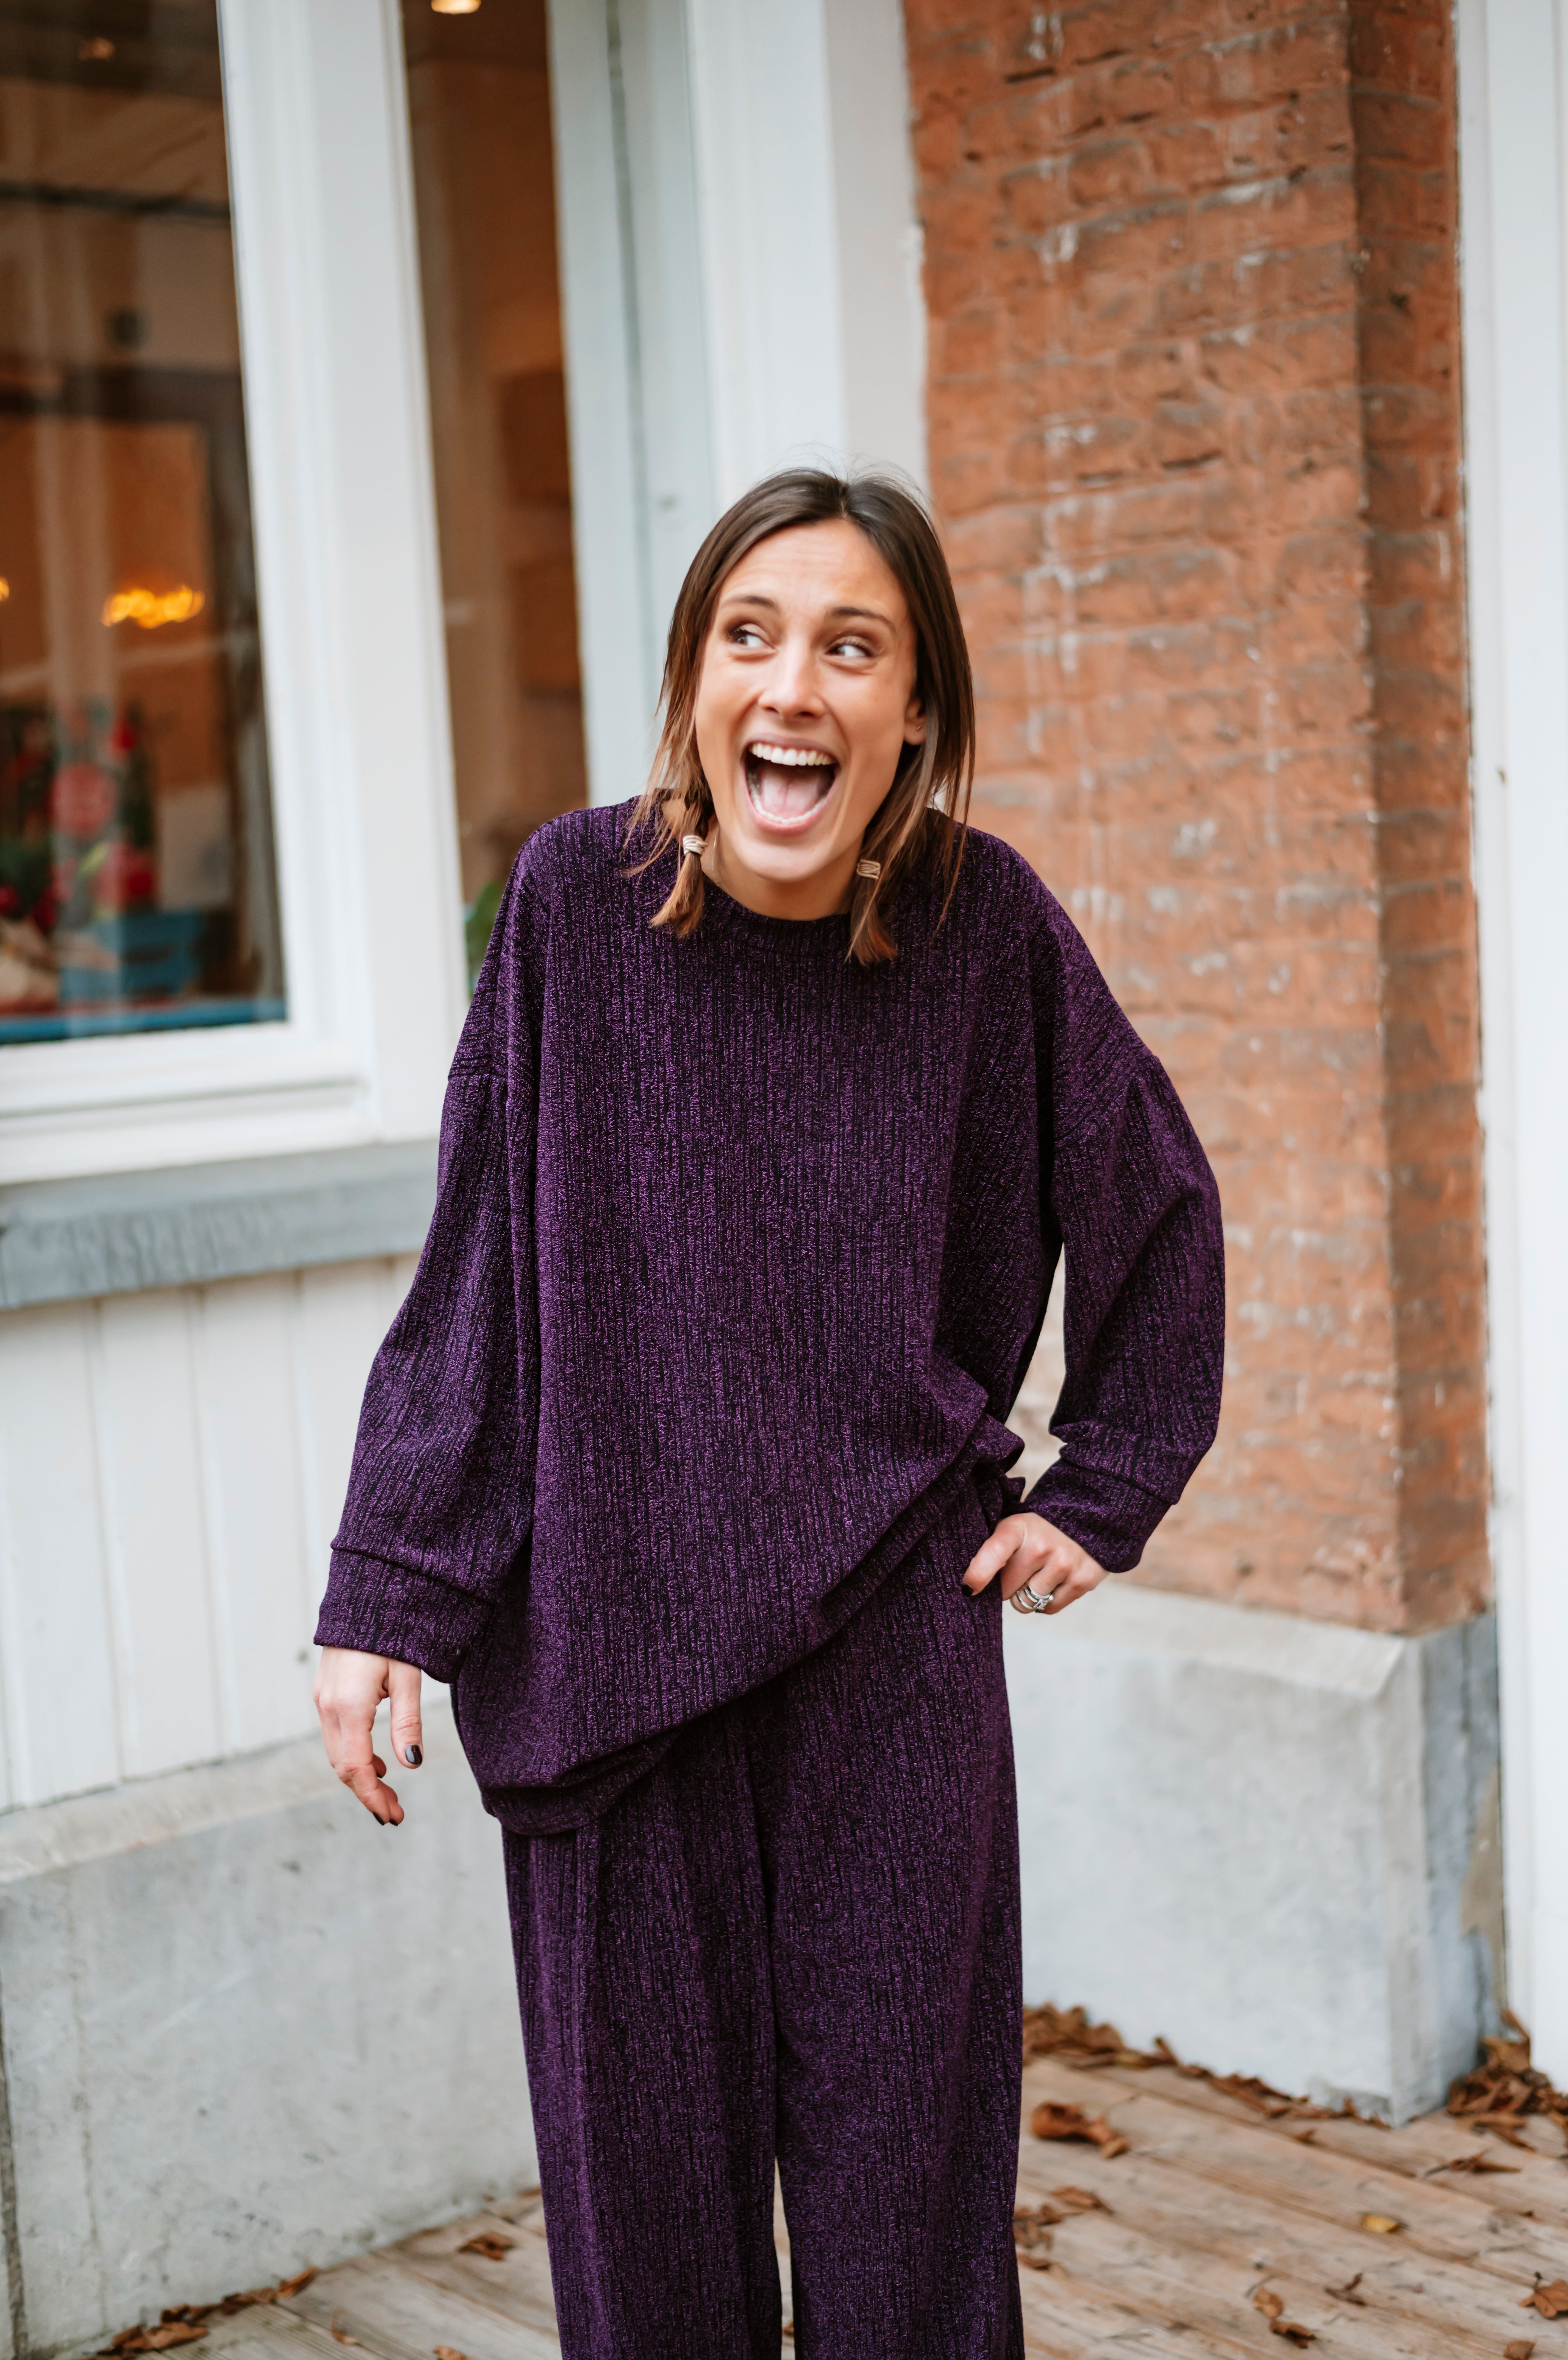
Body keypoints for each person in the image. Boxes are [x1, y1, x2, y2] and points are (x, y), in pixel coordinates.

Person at [313, 469, 1224, 2360]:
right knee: (652, 2268)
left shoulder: (987, 929)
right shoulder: (572, 906)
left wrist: (1109, 1481)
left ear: (916, 711)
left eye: (850, 646)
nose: (793, 684)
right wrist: (390, 1588)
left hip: (894, 1669)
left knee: (911, 2234)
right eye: (750, 636)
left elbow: (1155, 1199)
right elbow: (480, 1265)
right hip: (610, 1669)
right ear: (693, 683)